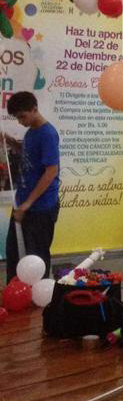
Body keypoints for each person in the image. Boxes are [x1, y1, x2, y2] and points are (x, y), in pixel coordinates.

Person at [3, 91, 60, 284]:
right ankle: (15, 293)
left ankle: (39, 304)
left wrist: (28, 203)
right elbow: (30, 154)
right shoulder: (32, 132)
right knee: (14, 252)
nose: (20, 121)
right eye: (17, 117)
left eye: (22, 116)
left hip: (40, 207)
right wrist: (10, 141)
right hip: (24, 204)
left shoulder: (48, 133)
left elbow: (51, 171)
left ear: (34, 109)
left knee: (37, 257)